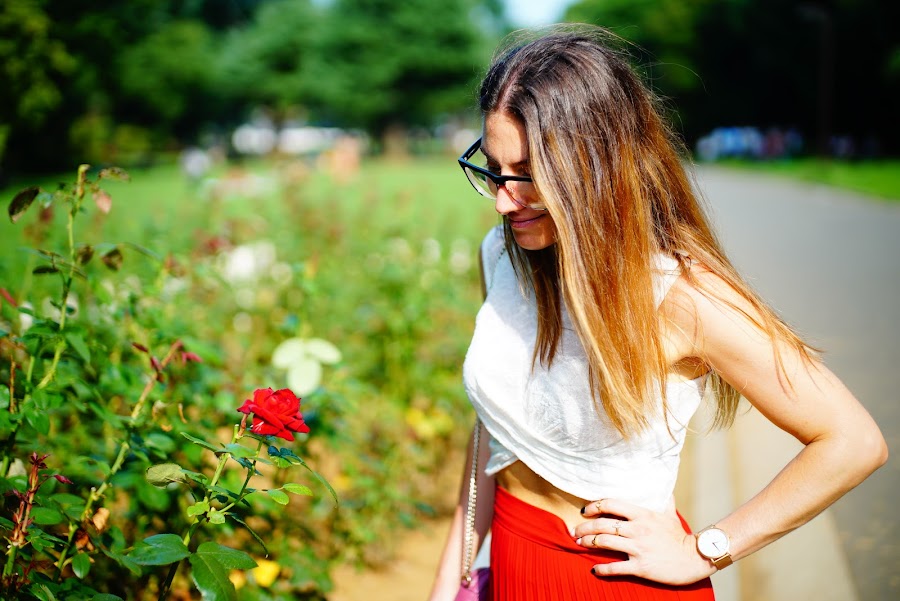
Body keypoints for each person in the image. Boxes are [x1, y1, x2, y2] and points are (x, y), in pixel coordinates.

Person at [428, 25, 887, 601]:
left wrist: (706, 550)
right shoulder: (504, 255)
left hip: (611, 579)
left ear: (593, 167)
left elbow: (851, 440)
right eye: (493, 168)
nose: (501, 198)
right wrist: (450, 579)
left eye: (526, 174)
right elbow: (498, 427)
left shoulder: (683, 296)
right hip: (515, 557)